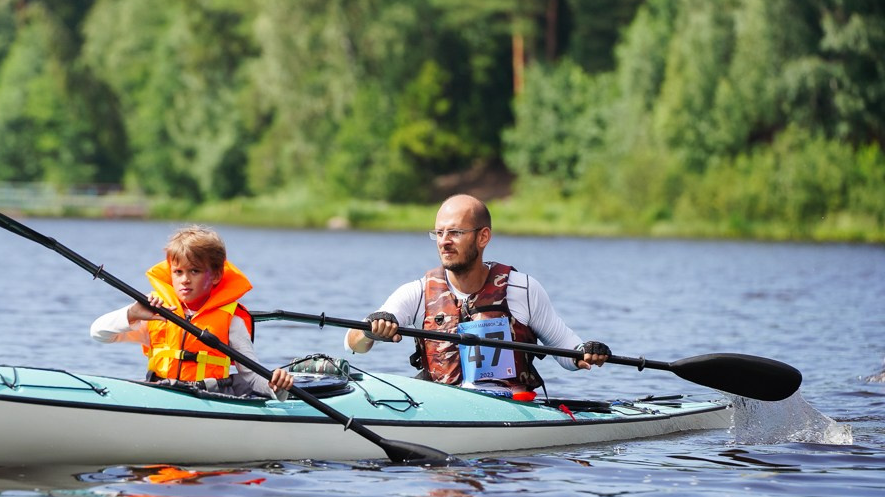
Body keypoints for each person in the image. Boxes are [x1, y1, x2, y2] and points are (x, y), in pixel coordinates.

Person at [345, 194, 610, 399]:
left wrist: (585, 353)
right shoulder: (417, 292)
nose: (444, 241)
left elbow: (567, 351)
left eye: (456, 233)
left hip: (510, 409)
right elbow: (352, 342)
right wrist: (371, 331)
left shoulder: (524, 289)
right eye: (439, 233)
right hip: (442, 407)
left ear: (483, 237)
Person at [90, 225, 294, 399]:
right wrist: (132, 313)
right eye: (178, 272)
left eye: (194, 271)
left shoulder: (231, 322)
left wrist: (276, 386)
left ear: (215, 275)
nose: (185, 280)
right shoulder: (158, 313)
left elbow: (252, 376)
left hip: (207, 399)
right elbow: (99, 334)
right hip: (160, 393)